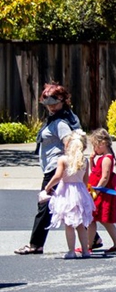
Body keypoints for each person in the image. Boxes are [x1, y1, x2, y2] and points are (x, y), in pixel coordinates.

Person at [15, 82, 81, 255]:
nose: (51, 107)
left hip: (55, 168)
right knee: (71, 203)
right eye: (48, 104)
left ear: (63, 101)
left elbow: (70, 143)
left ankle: (36, 244)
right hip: (53, 167)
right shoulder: (60, 117)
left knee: (44, 206)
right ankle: (93, 238)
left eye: (54, 104)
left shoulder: (60, 122)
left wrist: (67, 164)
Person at [43, 130, 95, 259]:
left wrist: (48, 187)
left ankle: (71, 251)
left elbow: (58, 176)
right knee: (80, 224)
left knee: (69, 224)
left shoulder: (63, 160)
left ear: (68, 145)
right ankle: (85, 250)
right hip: (80, 191)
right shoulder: (84, 160)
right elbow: (86, 180)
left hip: (67, 192)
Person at [87, 128, 116, 254]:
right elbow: (94, 172)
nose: (94, 149)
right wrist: (92, 160)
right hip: (97, 191)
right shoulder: (101, 158)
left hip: (102, 194)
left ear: (102, 143)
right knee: (99, 219)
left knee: (95, 219)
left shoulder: (107, 159)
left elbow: (104, 177)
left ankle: (88, 245)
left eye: (95, 146)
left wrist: (96, 191)